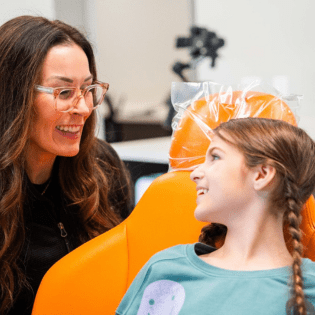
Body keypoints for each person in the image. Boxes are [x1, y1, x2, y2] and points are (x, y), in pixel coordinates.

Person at [0, 15, 133, 314]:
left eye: (88, 89)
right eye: (63, 92)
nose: (84, 108)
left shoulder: (103, 167)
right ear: (14, 96)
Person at [116, 117, 315, 315]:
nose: (195, 173)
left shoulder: (310, 287)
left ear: (262, 175)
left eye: (215, 157)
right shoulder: (164, 268)